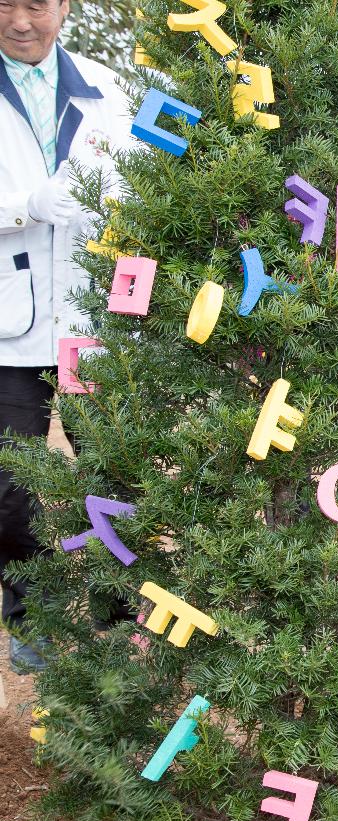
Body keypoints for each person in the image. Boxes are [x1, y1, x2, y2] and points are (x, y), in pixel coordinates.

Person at [1, 0, 133, 672]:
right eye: (6, 4)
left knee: (115, 467)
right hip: (8, 325)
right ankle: (33, 616)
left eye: (36, 5)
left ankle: (124, 608)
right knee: (10, 482)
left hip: (91, 319)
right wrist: (24, 206)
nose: (21, 21)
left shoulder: (107, 89)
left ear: (64, 7)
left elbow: (145, 181)